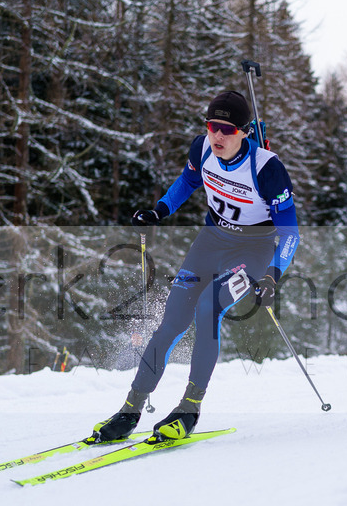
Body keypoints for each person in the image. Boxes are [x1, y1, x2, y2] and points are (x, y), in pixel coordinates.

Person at [93, 90, 299, 441]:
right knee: (173, 318)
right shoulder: (201, 148)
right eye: (212, 126)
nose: (217, 136)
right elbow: (188, 181)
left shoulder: (267, 169)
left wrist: (273, 275)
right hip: (211, 240)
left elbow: (291, 233)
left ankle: (189, 407)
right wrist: (159, 209)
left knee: (208, 307)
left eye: (227, 130)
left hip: (253, 251)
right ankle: (131, 408)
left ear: (244, 132)